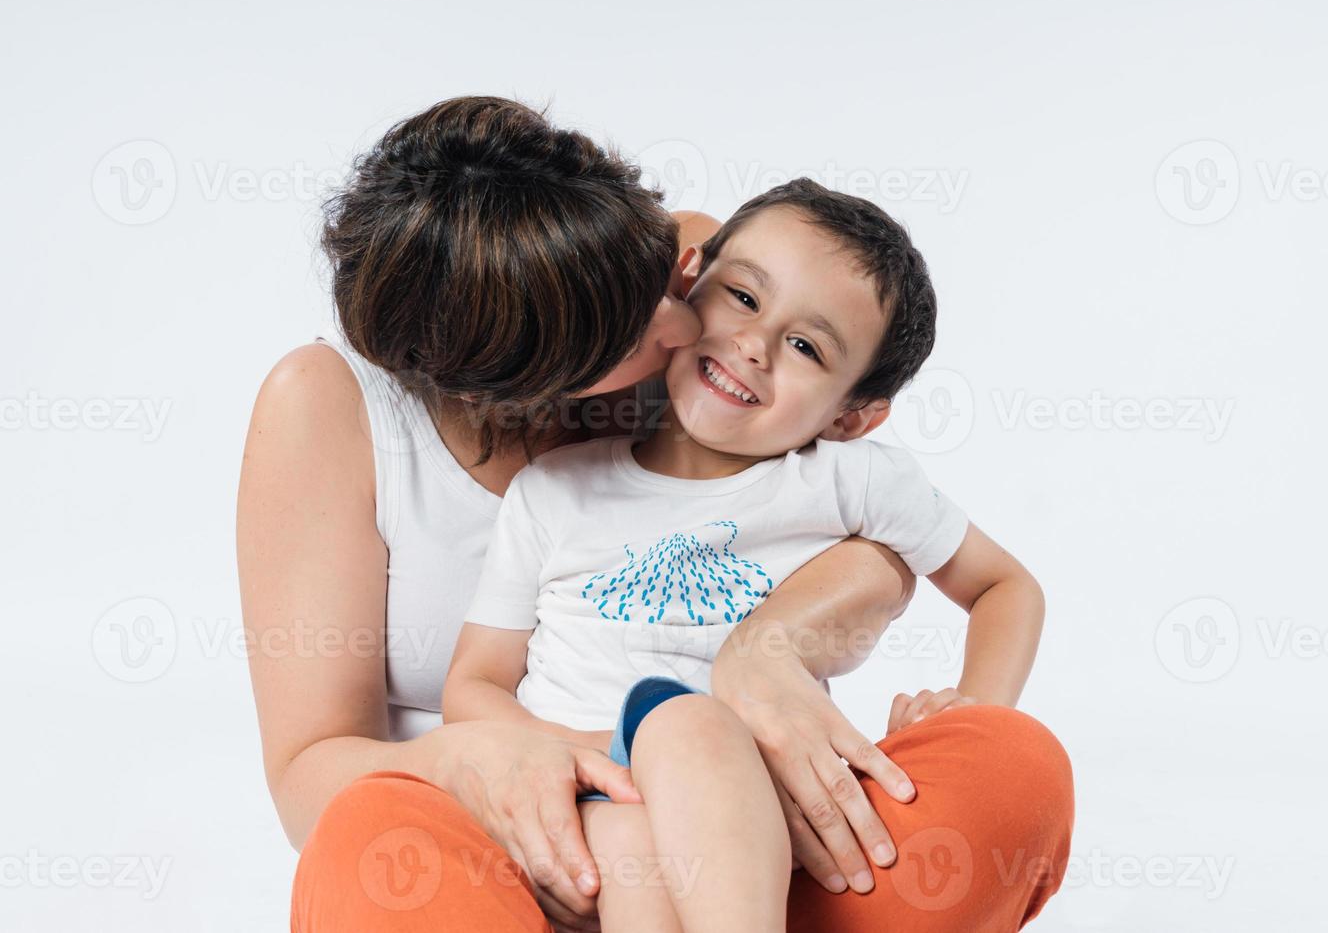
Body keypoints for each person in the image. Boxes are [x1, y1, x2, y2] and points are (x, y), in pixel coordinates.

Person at [238, 96, 1073, 933]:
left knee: (1014, 771)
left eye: (674, 278)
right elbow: (320, 767)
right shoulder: (412, 443)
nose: (685, 316)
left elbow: (867, 528)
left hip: (754, 833)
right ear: (525, 382)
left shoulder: (706, 282)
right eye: (634, 324)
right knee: (365, 841)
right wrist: (497, 758)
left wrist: (769, 651)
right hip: (505, 844)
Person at [442, 179, 1056, 932]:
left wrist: (972, 708)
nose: (754, 345)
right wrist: (595, 759)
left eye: (806, 347)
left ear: (852, 417)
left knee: (696, 731)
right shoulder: (555, 490)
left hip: (761, 824)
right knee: (677, 735)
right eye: (742, 297)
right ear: (692, 276)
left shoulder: (849, 481)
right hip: (582, 807)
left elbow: (1006, 587)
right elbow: (474, 686)